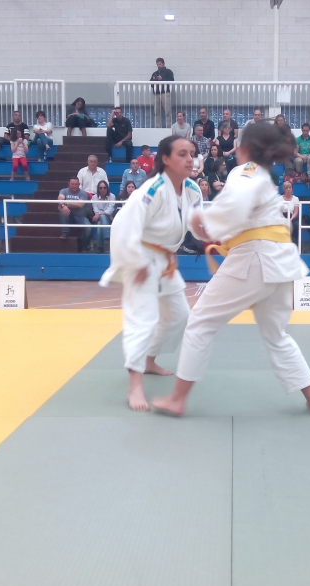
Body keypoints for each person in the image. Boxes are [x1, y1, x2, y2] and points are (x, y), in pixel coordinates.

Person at [150, 122, 310, 417]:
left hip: (255, 258)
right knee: (276, 335)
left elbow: (237, 202)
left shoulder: (245, 171)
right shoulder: (265, 176)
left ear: (244, 148)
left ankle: (177, 399)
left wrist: (202, 219)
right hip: (281, 262)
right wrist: (210, 225)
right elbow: (240, 213)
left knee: (200, 322)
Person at [99, 135, 202, 411]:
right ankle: (135, 383)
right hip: (140, 256)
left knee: (179, 316)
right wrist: (137, 262)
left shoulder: (192, 189)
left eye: (192, 153)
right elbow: (123, 225)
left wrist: (211, 232)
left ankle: (148, 360)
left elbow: (195, 224)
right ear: (165, 159)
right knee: (142, 318)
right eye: (182, 154)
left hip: (165, 259)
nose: (190, 159)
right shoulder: (152, 190)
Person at [58, 177, 94, 248]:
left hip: (80, 216)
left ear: (79, 184)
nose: (74, 186)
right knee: (62, 210)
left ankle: (84, 245)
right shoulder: (63, 191)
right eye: (72, 184)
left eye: (76, 184)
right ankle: (65, 232)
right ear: (68, 184)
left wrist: (65, 203)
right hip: (68, 215)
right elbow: (60, 199)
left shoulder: (83, 193)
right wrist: (63, 206)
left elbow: (80, 205)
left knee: (88, 227)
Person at [91, 180, 116, 254]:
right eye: (101, 188)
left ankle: (100, 247)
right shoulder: (94, 198)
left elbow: (110, 210)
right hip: (101, 218)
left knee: (100, 224)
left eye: (104, 188)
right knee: (101, 220)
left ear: (107, 188)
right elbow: (95, 210)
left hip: (110, 218)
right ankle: (107, 236)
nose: (103, 190)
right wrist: (102, 214)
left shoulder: (112, 196)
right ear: (98, 189)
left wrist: (100, 214)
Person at [150, 58, 174, 128]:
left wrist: (162, 79)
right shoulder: (155, 73)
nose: (159, 66)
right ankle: (158, 127)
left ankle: (169, 127)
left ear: (163, 64)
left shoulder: (168, 72)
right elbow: (151, 84)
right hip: (156, 93)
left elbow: (171, 81)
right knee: (156, 112)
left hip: (165, 93)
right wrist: (154, 79)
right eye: (157, 64)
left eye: (160, 64)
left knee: (167, 111)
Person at [279, 180, 300, 244]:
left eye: (290, 187)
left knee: (296, 225)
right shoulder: (279, 199)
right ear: (284, 189)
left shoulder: (296, 199)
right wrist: (284, 219)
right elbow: (279, 211)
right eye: (286, 188)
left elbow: (296, 212)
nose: (288, 189)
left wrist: (291, 219)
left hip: (292, 217)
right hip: (282, 217)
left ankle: (294, 242)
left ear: (292, 188)